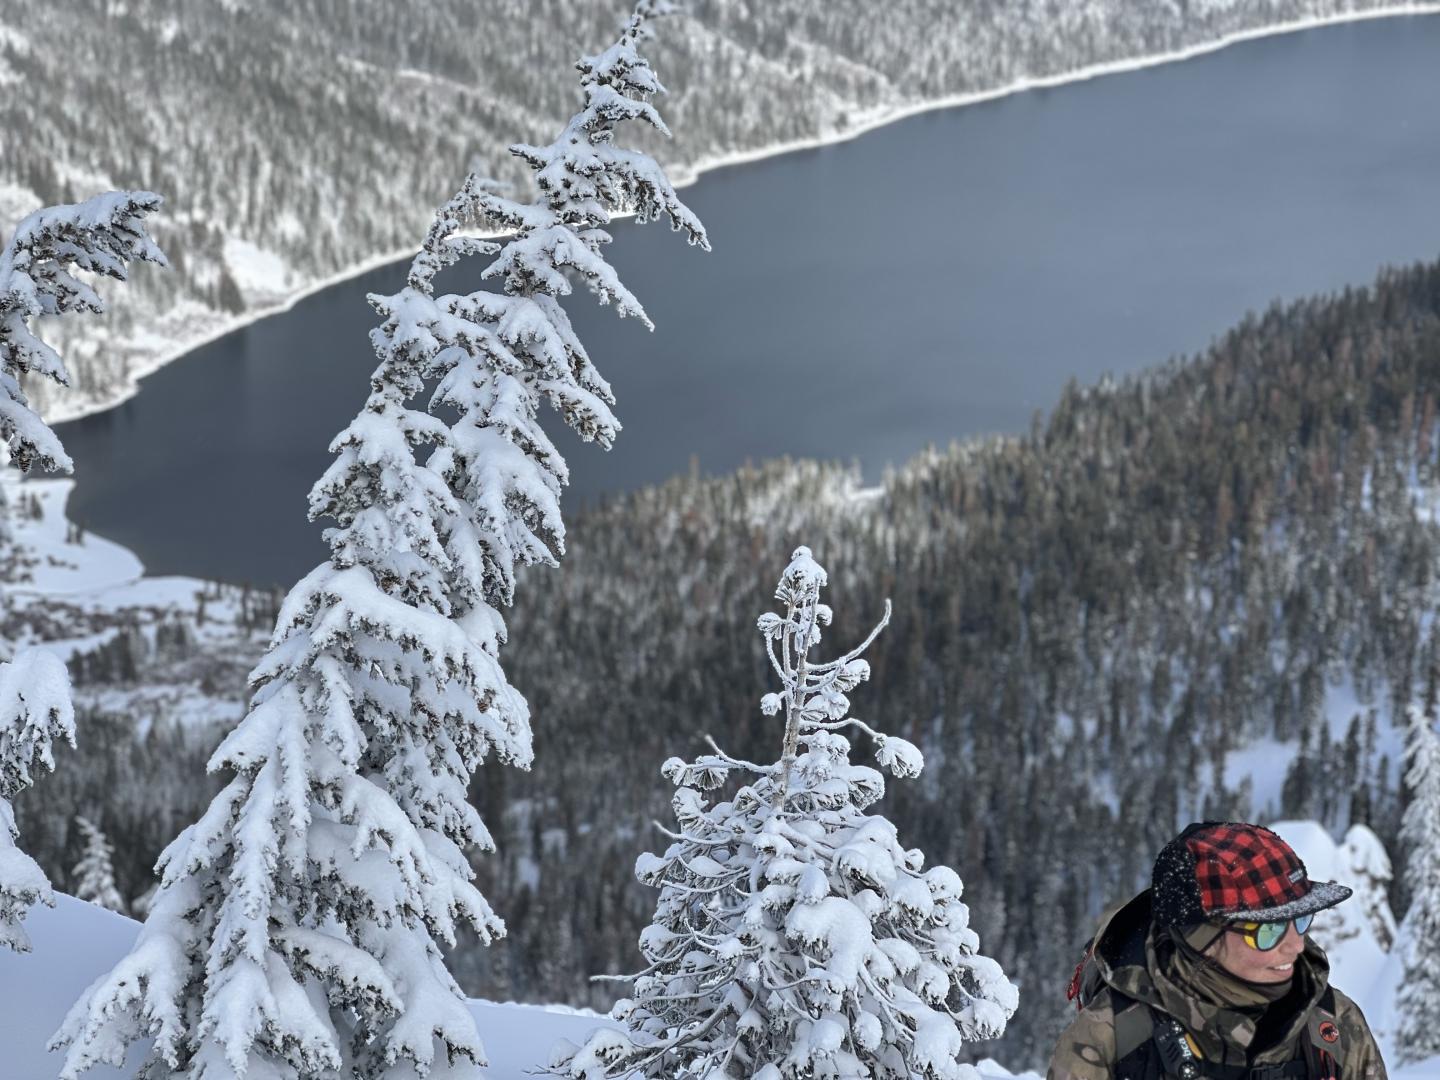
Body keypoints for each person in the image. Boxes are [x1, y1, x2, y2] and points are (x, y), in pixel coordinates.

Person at [1048, 821, 1387, 1080]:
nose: (1296, 945)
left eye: (1301, 920)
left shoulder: (1333, 1026)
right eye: (1268, 931)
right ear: (1202, 939)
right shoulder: (1110, 1036)